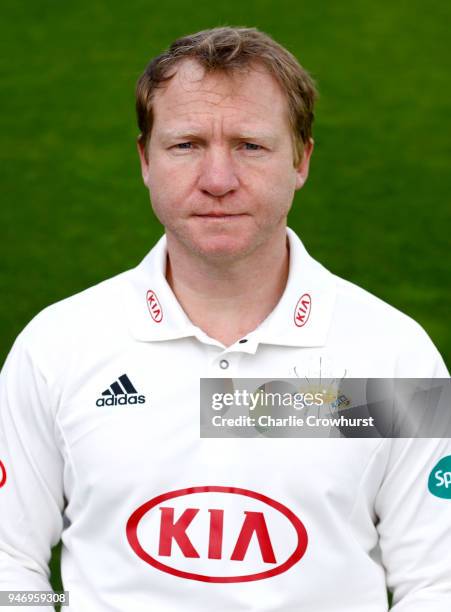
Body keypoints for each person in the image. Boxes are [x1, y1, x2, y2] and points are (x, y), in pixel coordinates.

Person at [0, 26, 450, 612]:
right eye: (186, 145)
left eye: (250, 145)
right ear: (144, 159)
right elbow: (10, 563)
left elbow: (436, 581)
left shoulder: (393, 355)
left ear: (301, 160)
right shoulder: (57, 346)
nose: (217, 180)